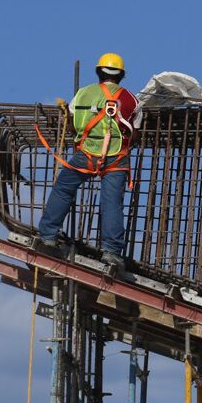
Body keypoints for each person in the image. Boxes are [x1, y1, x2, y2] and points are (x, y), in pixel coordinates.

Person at [35, 53, 141, 273]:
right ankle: (111, 253)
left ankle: (47, 237)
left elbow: (74, 128)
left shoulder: (82, 94)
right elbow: (135, 134)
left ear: (98, 72)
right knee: (111, 202)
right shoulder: (132, 99)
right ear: (121, 75)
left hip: (86, 154)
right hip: (117, 157)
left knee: (64, 189)